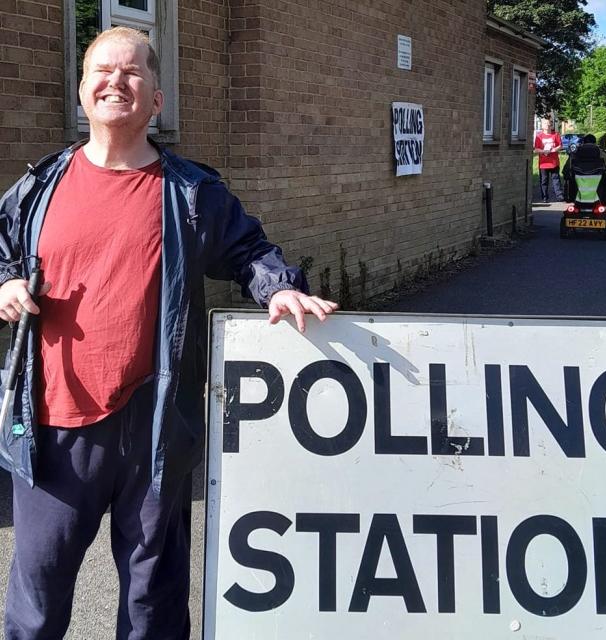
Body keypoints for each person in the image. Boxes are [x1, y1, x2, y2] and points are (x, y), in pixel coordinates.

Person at [0, 26, 337, 640]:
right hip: (53, 424)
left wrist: (279, 287)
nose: (116, 81)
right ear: (82, 92)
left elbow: (248, 250)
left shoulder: (190, 193)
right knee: (36, 603)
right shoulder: (38, 189)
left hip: (153, 427)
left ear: (156, 98)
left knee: (151, 607)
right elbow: (1, 253)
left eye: (133, 72)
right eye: (102, 71)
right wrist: (5, 284)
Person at [534, 118, 563, 203]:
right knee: (544, 181)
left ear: (551, 125)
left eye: (549, 123)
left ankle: (559, 196)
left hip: (554, 162)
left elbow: (560, 146)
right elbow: (536, 149)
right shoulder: (539, 136)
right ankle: (545, 197)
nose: (548, 125)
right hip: (544, 163)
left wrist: (555, 149)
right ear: (542, 126)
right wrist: (544, 151)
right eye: (545, 124)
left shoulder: (556, 135)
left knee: (556, 179)